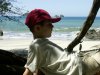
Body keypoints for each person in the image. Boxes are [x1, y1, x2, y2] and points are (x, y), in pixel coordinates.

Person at [23, 9, 100, 75]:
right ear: (37, 28)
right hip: (78, 66)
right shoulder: (36, 45)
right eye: (49, 24)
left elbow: (36, 67)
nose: (53, 26)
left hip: (78, 62)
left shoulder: (41, 43)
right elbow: (28, 72)